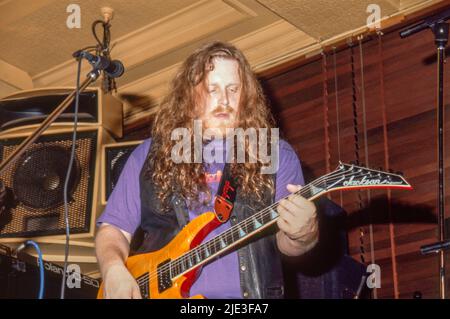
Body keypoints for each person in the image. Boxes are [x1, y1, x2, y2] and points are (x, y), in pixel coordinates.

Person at [95, 41, 319, 299]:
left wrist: (304, 234)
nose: (224, 100)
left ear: (246, 96)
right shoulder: (149, 154)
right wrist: (113, 269)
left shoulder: (273, 153)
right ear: (189, 95)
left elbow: (287, 245)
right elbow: (113, 229)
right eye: (212, 89)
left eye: (233, 90)